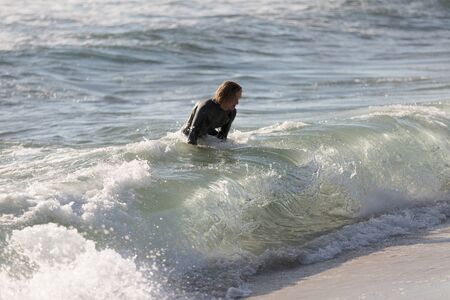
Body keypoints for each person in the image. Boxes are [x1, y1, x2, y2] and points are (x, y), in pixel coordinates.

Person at [182, 81, 242, 145]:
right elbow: (192, 137)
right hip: (186, 136)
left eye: (239, 98)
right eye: (235, 99)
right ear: (226, 96)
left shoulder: (232, 112)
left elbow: (222, 137)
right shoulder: (205, 108)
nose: (237, 103)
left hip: (206, 134)